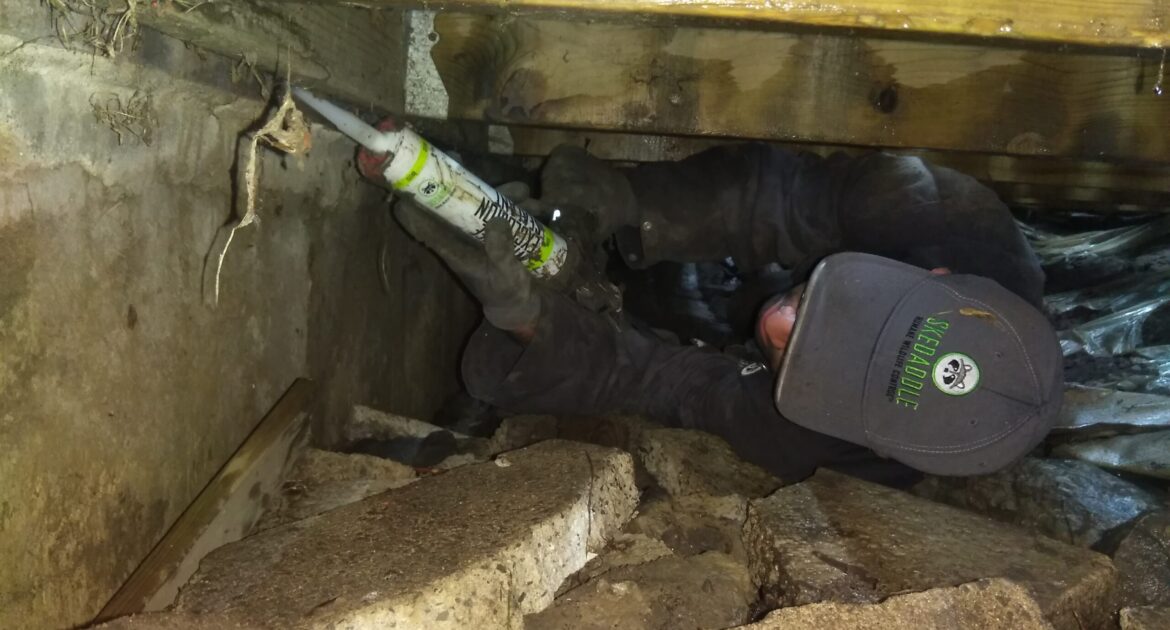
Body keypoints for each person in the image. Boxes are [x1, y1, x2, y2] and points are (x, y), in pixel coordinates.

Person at [396, 144, 1063, 487]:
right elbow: (768, 200)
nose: (777, 329)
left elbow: (664, 382)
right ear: (933, 278)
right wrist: (624, 201)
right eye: (836, 313)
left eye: (815, 366)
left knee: (669, 318)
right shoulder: (929, 208)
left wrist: (525, 316)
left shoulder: (818, 441)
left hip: (709, 328)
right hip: (757, 254)